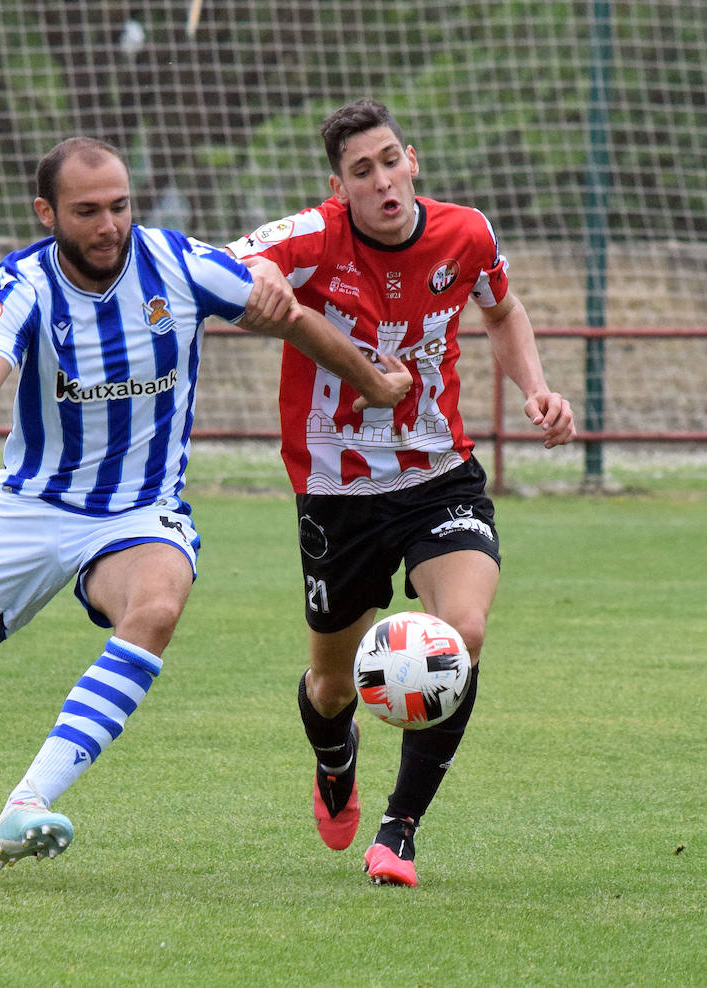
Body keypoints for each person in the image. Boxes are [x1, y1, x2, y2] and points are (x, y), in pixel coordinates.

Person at [0, 137, 411, 872]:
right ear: (46, 212)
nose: (109, 225)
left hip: (139, 511)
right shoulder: (24, 280)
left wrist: (370, 382)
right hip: (34, 506)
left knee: (156, 605)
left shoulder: (179, 264)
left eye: (120, 206)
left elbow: (286, 316)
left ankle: (28, 802)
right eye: (87, 211)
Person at [227, 98, 576, 886]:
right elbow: (225, 261)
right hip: (335, 491)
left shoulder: (467, 233)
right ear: (338, 186)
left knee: (464, 631)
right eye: (362, 171)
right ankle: (333, 753)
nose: (383, 181)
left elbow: (504, 309)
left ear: (411, 158)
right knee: (328, 683)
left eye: (391, 161)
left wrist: (537, 389)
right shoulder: (315, 237)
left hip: (437, 476)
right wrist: (260, 278)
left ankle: (400, 828)